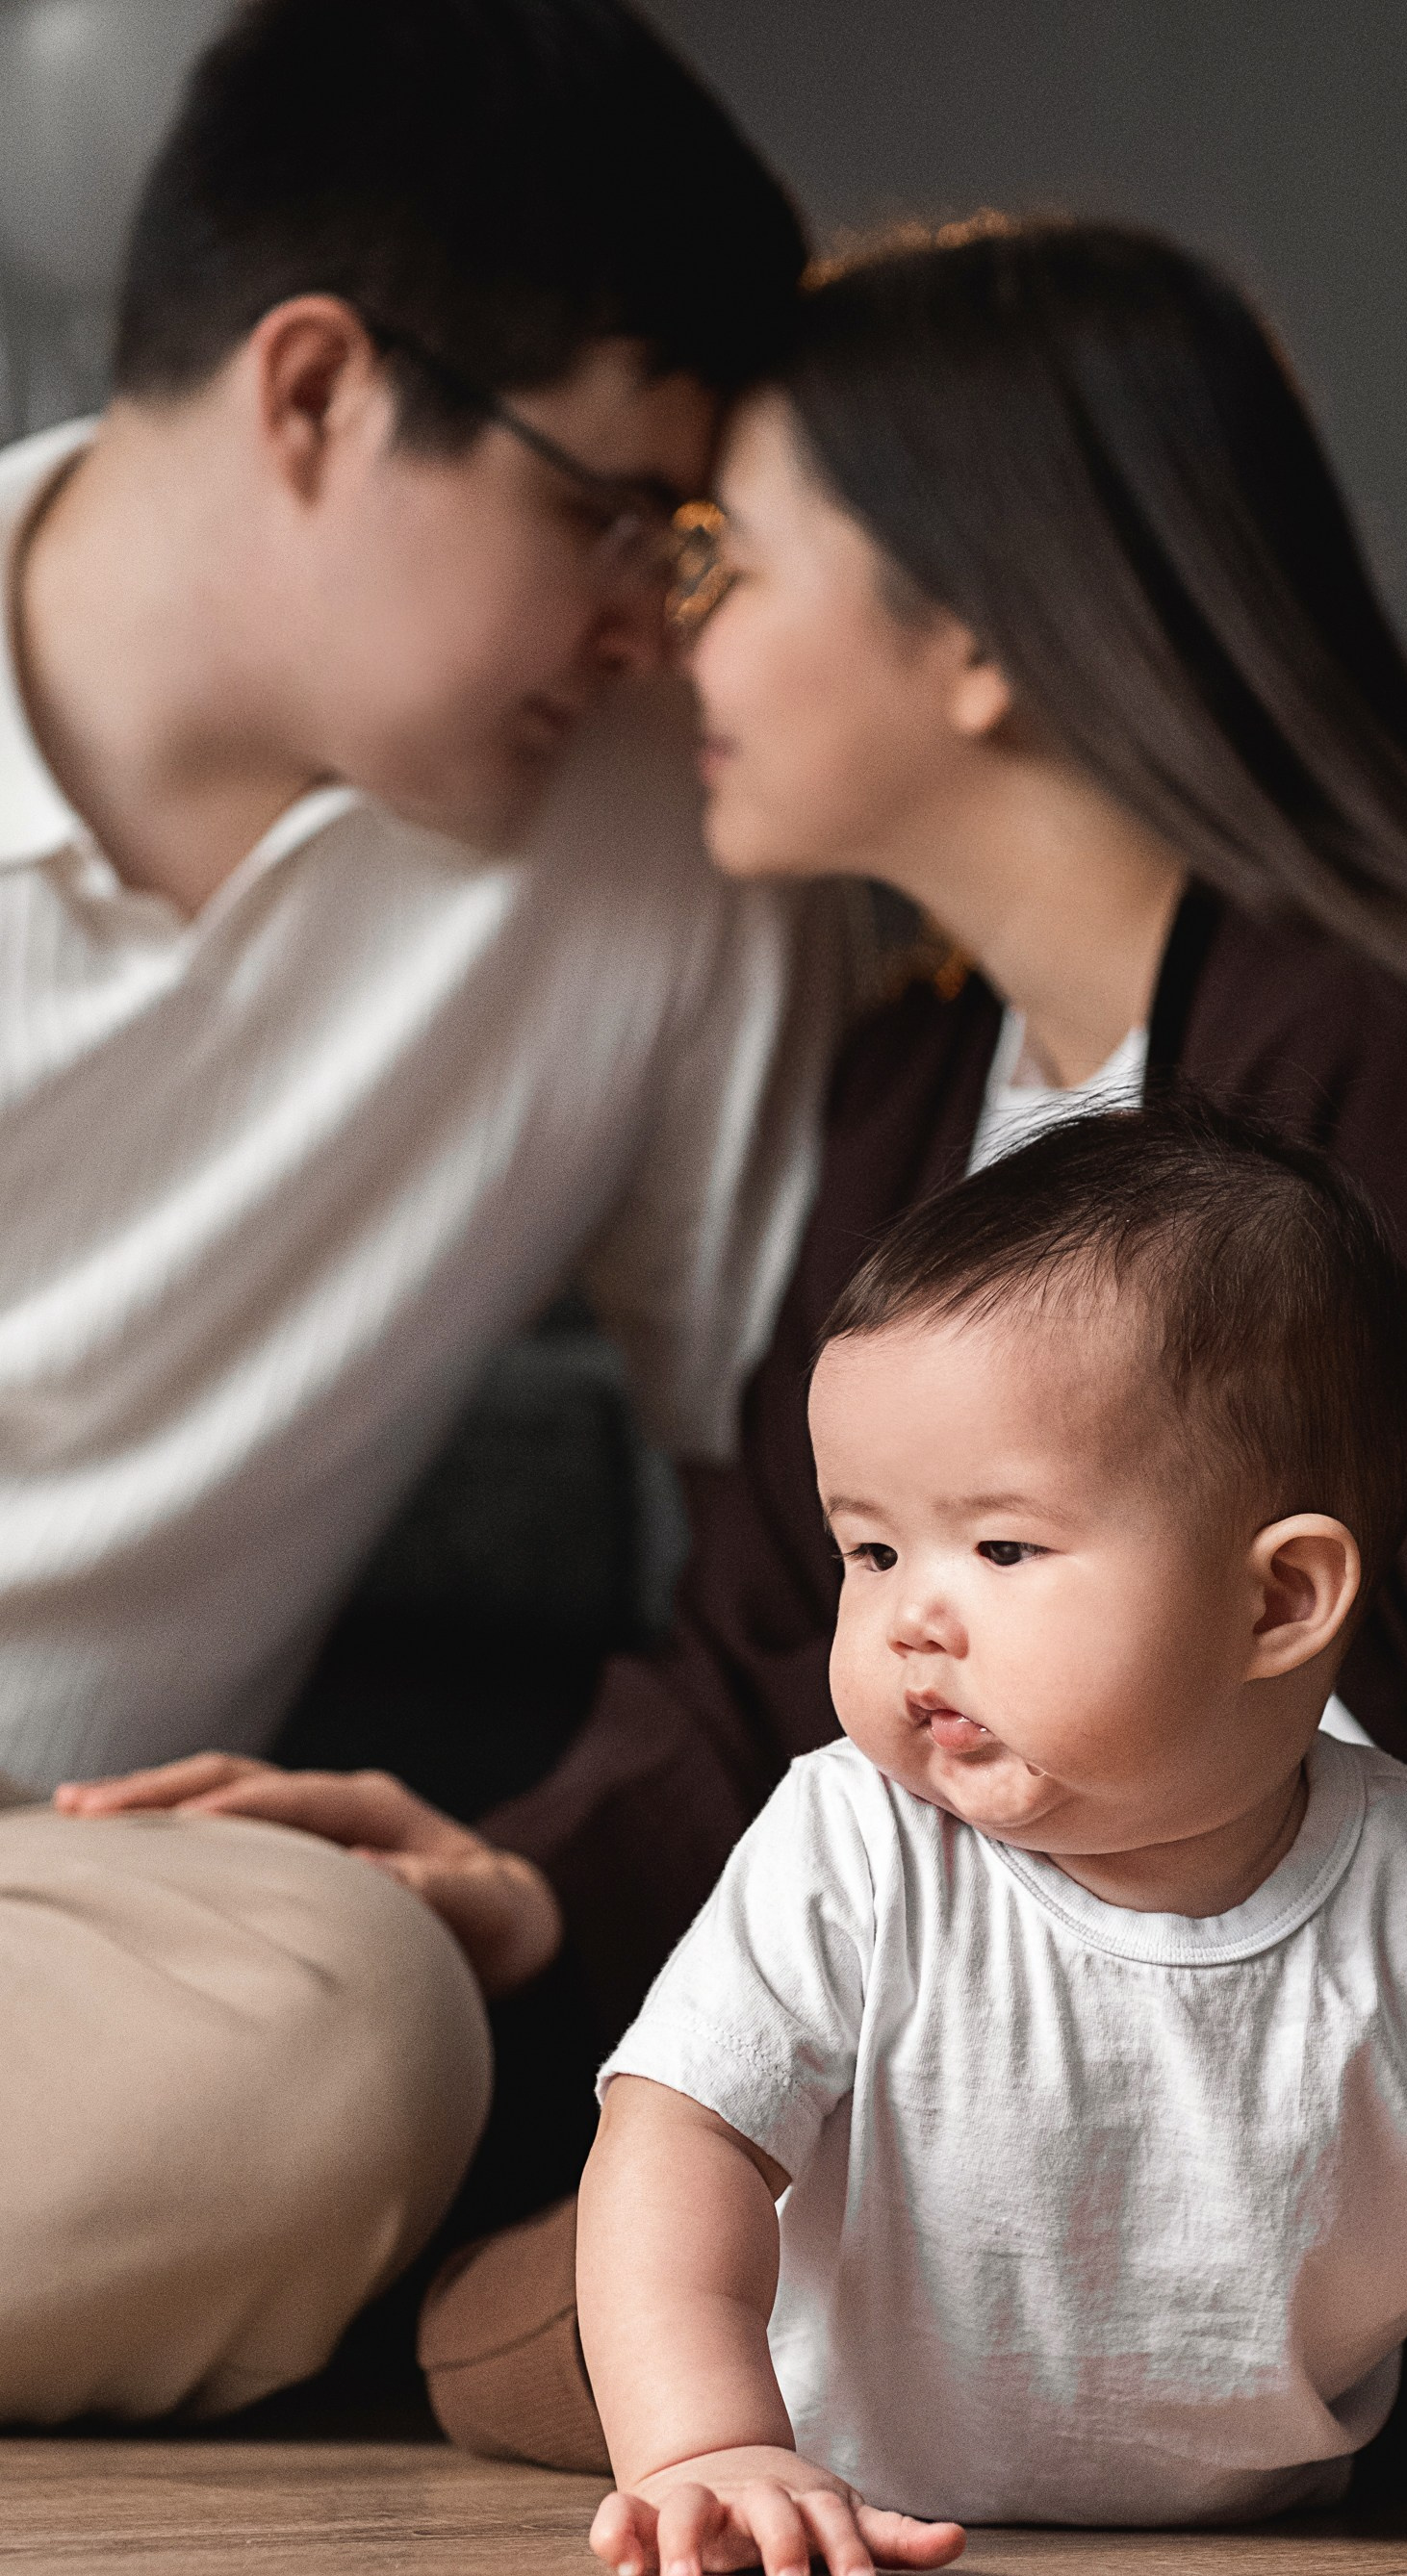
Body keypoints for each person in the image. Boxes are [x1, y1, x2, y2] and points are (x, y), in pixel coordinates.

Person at [74, 221, 1407, 2524]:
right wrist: (515, 1880)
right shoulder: (903, 1102)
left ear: (974, 628)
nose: (662, 630)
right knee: (559, 2257)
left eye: (727, 559)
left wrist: (1201, 2069)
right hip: (1052, 2052)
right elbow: (770, 1643)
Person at [0, 0, 861, 2429]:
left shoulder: (659, 862)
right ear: (315, 394)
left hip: (65, 1936)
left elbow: (782, 1518)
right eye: (608, 512)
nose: (649, 618)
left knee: (353, 2031)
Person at [578, 1104, 1407, 2576]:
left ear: (1279, 1603)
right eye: (870, 1549)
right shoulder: (857, 1840)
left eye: (1000, 1549)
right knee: (565, 2322)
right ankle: (524, 2343)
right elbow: (680, 2133)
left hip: (1262, 2573)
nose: (906, 1618)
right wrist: (704, 2445)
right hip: (859, 2516)